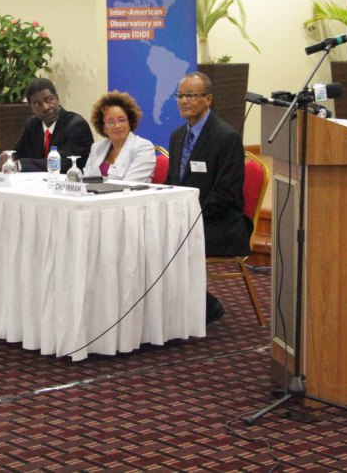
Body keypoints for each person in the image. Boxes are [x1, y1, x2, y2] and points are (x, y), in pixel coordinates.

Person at [165, 72, 252, 326]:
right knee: (149, 235)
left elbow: (226, 194)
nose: (183, 101)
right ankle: (170, 308)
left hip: (219, 223)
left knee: (168, 242)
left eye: (191, 95)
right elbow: (172, 183)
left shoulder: (226, 137)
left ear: (208, 99)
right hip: (184, 219)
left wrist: (190, 219)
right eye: (180, 95)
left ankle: (206, 305)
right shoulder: (177, 136)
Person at [12, 78, 93, 172]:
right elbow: (17, 153)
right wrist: (9, 158)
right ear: (31, 108)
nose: (45, 107)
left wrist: (21, 164)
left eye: (49, 100)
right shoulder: (32, 125)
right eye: (37, 104)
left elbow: (65, 163)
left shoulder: (76, 125)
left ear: (57, 98)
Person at [83, 91, 156, 183]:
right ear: (103, 127)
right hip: (93, 192)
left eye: (121, 120)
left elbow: (130, 184)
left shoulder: (143, 147)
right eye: (111, 122)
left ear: (130, 122)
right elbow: (85, 180)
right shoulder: (96, 148)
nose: (117, 126)